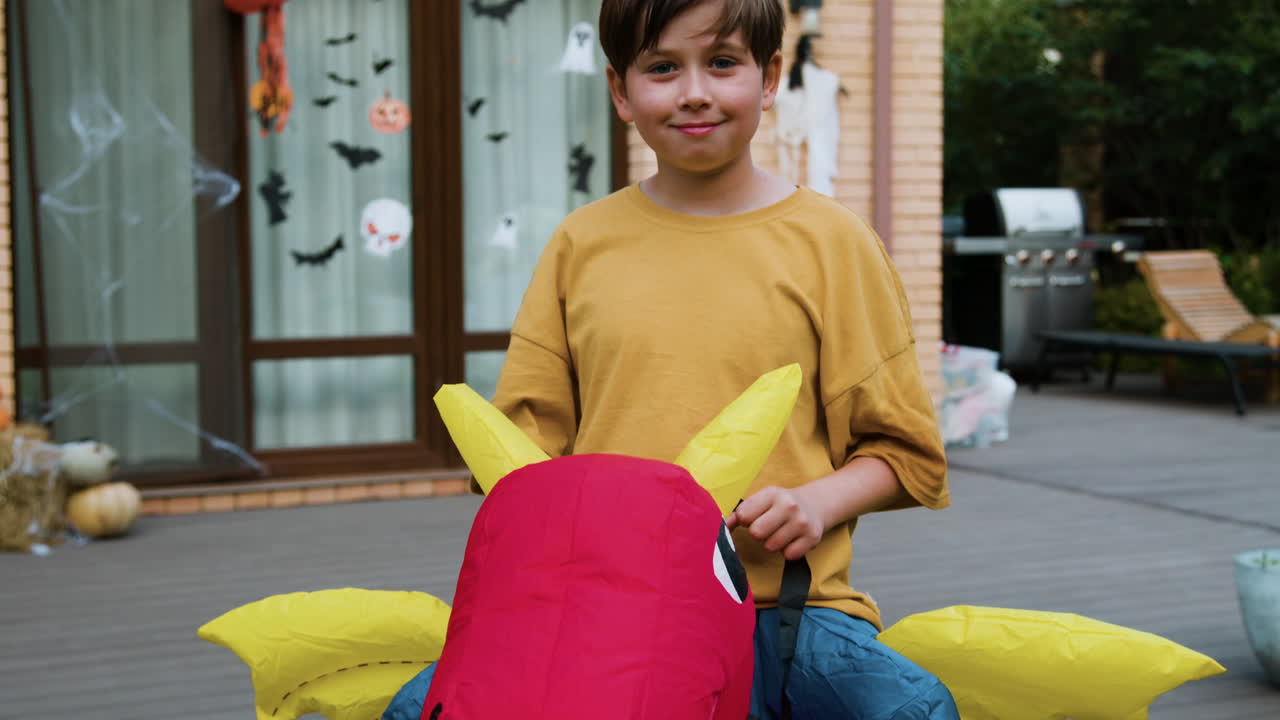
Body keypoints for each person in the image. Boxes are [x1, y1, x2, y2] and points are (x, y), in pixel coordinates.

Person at [479, 1, 961, 717]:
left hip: (786, 611)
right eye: (663, 67)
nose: (694, 91)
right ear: (620, 90)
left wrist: (815, 502)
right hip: (608, 616)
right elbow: (517, 460)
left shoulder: (833, 243)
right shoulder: (580, 246)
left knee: (912, 709)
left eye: (723, 63)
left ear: (768, 79)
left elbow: (909, 456)